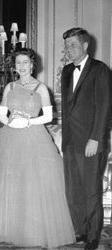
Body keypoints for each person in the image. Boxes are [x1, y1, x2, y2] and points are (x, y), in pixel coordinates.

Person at [0, 48, 75, 248]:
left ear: (32, 65)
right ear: (14, 66)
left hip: (34, 138)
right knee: (9, 182)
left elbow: (49, 116)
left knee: (32, 183)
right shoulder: (10, 87)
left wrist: (27, 122)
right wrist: (9, 122)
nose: (22, 67)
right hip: (10, 137)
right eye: (18, 63)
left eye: (25, 63)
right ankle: (5, 228)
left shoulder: (41, 88)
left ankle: (33, 230)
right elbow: (1, 113)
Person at [61, 27, 111, 250]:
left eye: (72, 45)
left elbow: (104, 107)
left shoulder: (100, 69)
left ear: (85, 45)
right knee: (73, 191)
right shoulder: (65, 71)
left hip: (91, 141)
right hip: (70, 141)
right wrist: (65, 139)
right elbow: (66, 108)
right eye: (66, 46)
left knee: (91, 191)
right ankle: (80, 231)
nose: (68, 50)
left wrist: (96, 139)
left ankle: (92, 236)